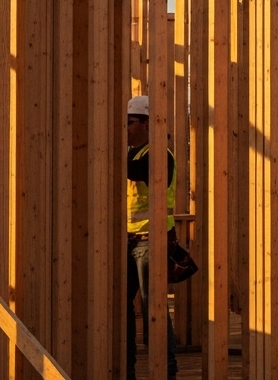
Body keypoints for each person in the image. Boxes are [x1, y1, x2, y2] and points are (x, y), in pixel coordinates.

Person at [123, 95, 178, 380]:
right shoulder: (131, 154)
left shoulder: (158, 154)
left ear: (145, 124)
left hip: (150, 242)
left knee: (152, 307)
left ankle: (166, 372)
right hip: (129, 241)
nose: (126, 128)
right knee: (121, 308)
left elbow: (138, 173)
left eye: (129, 123)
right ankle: (126, 369)